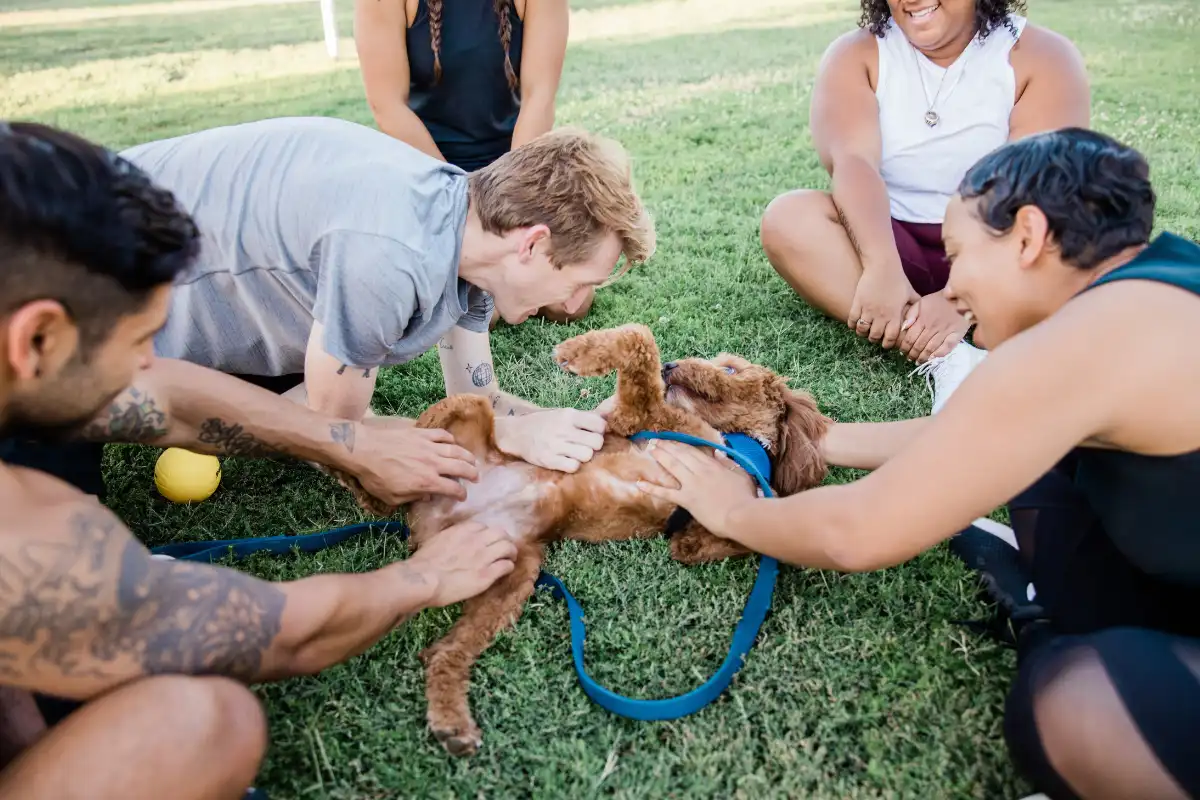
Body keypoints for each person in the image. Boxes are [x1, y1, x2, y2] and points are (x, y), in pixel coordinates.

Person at [640, 129, 1200, 800]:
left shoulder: (1090, 340)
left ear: (1027, 236)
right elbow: (972, 434)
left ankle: (1047, 630)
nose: (952, 285)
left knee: (1076, 703)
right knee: (1043, 474)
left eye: (959, 253)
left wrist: (731, 509)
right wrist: (820, 437)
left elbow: (856, 532)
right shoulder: (1157, 285)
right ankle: (1051, 605)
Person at [0, 120, 520, 799]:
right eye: (138, 341)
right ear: (37, 336)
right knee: (204, 722)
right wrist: (419, 579)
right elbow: (281, 636)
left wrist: (350, 442)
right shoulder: (25, 536)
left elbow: (170, 403)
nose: (151, 363)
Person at [118, 114, 654, 476]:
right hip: (78, 288)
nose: (573, 302)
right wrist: (500, 439)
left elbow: (482, 400)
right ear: (533, 244)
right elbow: (336, 438)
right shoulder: (389, 258)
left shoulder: (469, 231)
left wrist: (571, 428)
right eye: (581, 279)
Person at [760, 0, 1090, 412]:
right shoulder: (856, 55)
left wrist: (961, 300)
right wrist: (881, 266)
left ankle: (963, 321)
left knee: (1070, 241)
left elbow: (1031, 190)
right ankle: (950, 358)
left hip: (1002, 250)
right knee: (788, 219)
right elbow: (853, 161)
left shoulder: (1044, 57)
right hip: (893, 241)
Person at [353, 0, 589, 324]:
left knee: (571, 302)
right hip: (428, 172)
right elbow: (388, 107)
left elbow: (540, 97)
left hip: (512, 166)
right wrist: (462, 203)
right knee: (480, 311)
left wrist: (511, 201)